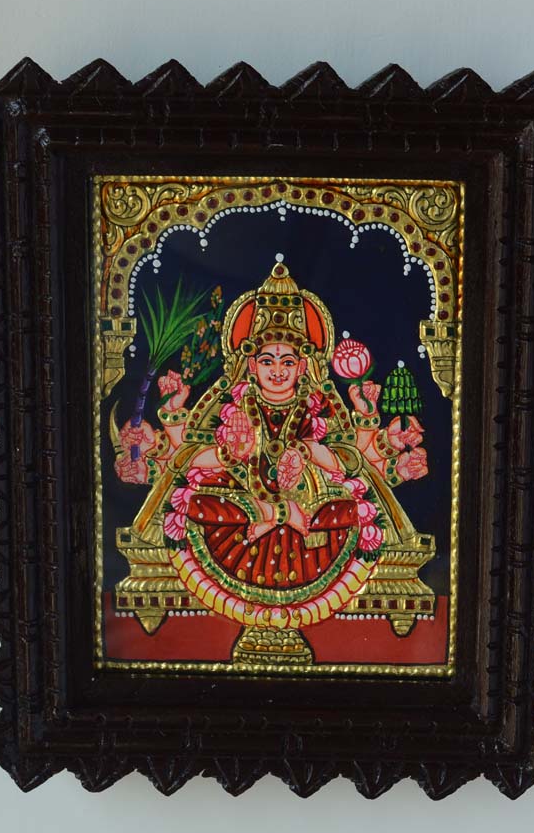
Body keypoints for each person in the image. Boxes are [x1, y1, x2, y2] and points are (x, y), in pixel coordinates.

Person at [114, 261, 427, 634]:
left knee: (356, 509)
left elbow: (348, 461)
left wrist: (310, 451)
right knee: (194, 504)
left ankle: (278, 515)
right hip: (243, 503)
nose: (277, 370)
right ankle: (274, 513)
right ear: (250, 364)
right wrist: (231, 452)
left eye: (287, 361)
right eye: (267, 360)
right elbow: (189, 459)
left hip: (309, 501)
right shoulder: (228, 399)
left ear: (302, 366)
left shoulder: (320, 400)